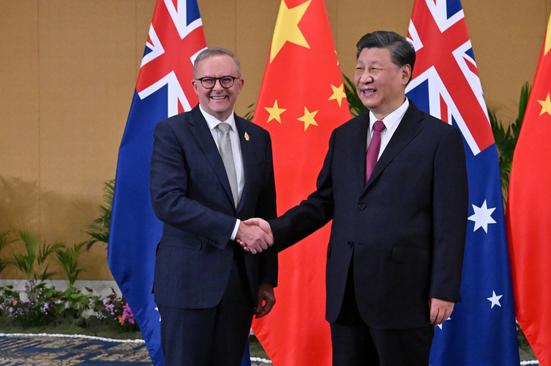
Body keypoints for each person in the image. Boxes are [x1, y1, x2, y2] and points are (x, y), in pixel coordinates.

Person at [243, 31, 468, 365]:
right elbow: (323, 202)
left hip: (405, 296)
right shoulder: (345, 136)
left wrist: (444, 289)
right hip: (346, 295)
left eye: (374, 69)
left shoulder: (438, 138)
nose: (364, 78)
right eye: (360, 68)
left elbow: (449, 221)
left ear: (404, 74)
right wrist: (274, 231)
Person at [149, 47, 278, 366]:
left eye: (226, 79)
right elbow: (168, 202)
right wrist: (236, 230)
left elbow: (265, 210)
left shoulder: (258, 137)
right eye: (208, 79)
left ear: (240, 84)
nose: (217, 87)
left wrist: (266, 278)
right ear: (194, 85)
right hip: (187, 284)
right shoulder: (173, 133)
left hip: (239, 284)